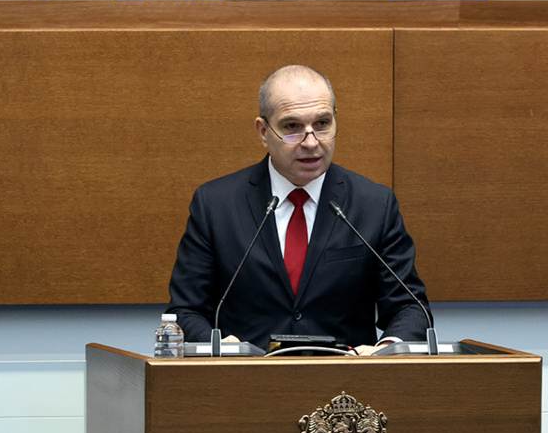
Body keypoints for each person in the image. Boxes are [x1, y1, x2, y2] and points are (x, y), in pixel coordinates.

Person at [166, 65, 432, 355]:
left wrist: (385, 350)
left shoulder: (374, 204)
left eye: (322, 124)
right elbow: (185, 311)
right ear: (264, 131)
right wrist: (219, 348)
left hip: (346, 388)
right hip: (246, 384)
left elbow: (410, 307)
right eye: (292, 127)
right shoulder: (216, 204)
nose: (311, 142)